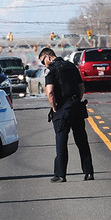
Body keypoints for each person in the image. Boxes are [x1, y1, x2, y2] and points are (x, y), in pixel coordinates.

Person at [39, 47, 93, 182]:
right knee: (82, 141)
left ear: (48, 57)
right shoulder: (71, 66)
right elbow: (81, 87)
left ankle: (60, 174)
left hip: (62, 109)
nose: (43, 65)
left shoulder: (50, 70)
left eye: (42, 62)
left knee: (61, 143)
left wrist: (54, 107)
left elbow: (50, 92)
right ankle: (89, 172)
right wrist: (77, 100)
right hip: (76, 106)